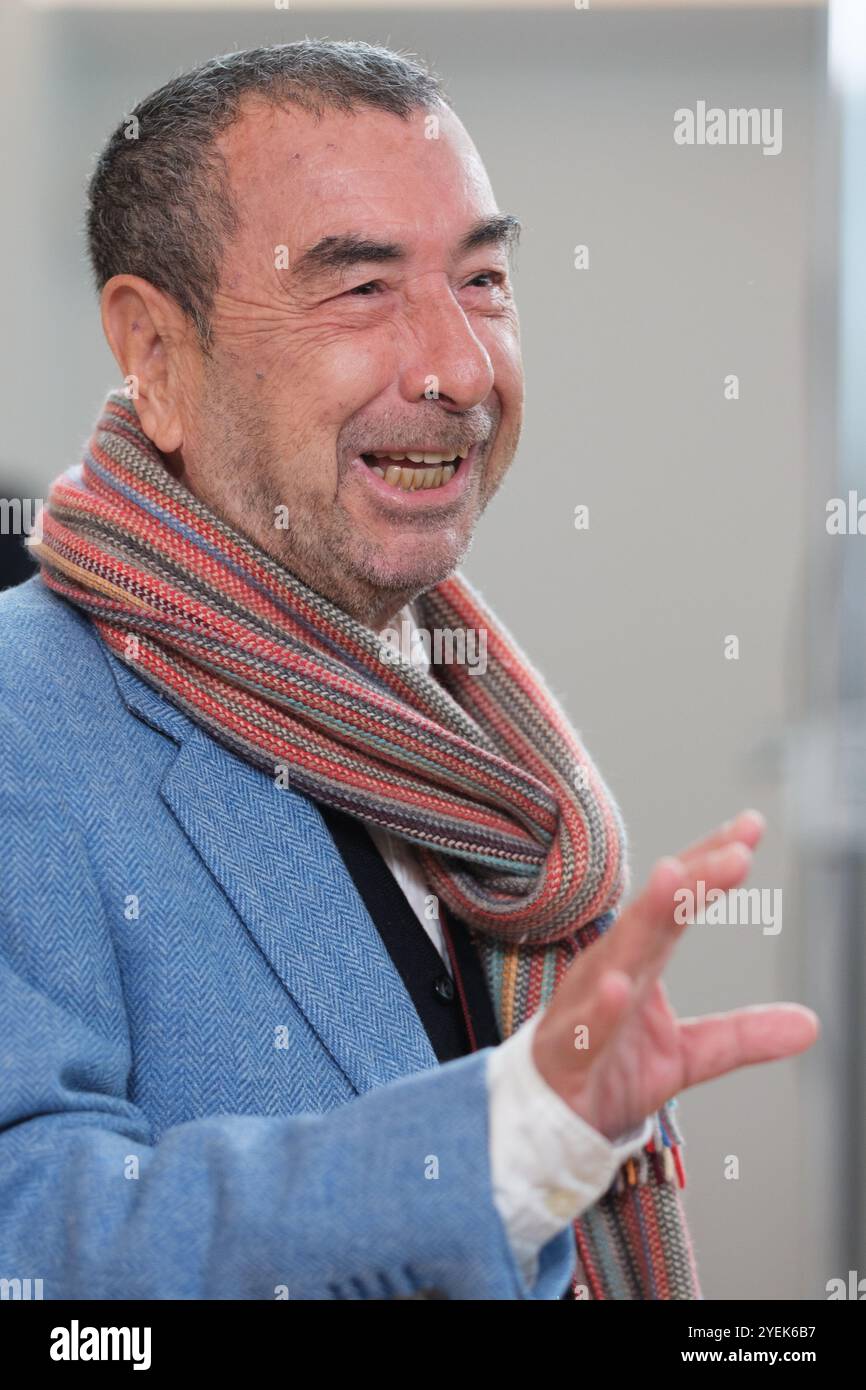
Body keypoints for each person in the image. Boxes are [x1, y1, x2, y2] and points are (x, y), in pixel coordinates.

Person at [0, 39, 817, 1301]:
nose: (458, 368)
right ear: (154, 356)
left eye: (482, 279)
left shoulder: (472, 726)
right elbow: (34, 1254)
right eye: (362, 289)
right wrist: (498, 1146)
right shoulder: (23, 720)